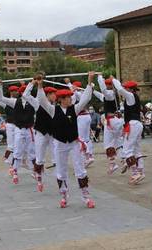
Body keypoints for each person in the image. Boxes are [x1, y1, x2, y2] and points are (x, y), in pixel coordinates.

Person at [37, 72, 96, 208]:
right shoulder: (53, 110)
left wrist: (89, 83)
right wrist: (40, 86)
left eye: (70, 96)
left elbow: (85, 99)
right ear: (61, 99)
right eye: (68, 97)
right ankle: (64, 196)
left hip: (74, 143)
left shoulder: (74, 109)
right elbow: (42, 100)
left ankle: (86, 196)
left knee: (80, 169)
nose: (70, 99)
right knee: (61, 171)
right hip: (59, 144)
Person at [0, 81, 36, 185]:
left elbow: (26, 95)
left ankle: (27, 166)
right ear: (11, 92)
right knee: (12, 146)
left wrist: (28, 84)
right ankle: (13, 165)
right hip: (12, 126)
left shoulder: (27, 101)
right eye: (14, 91)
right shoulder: (9, 102)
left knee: (28, 149)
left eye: (17, 90)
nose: (16, 92)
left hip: (25, 127)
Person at [22, 75, 58, 192]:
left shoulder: (55, 106)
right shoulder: (37, 103)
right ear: (47, 95)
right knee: (40, 158)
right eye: (53, 94)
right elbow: (25, 95)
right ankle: (39, 178)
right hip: (41, 133)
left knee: (56, 157)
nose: (55, 96)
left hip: (52, 133)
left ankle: (60, 180)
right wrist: (32, 83)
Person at [112, 77, 145, 185]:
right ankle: (140, 171)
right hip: (136, 124)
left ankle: (135, 172)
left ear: (131, 89)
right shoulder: (133, 97)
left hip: (133, 124)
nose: (124, 90)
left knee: (127, 150)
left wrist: (114, 80)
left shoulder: (131, 96)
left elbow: (120, 90)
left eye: (126, 88)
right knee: (136, 149)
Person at [95, 75, 125, 175]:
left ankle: (113, 164)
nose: (106, 86)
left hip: (111, 121)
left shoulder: (110, 94)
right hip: (117, 120)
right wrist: (91, 89)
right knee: (118, 142)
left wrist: (99, 78)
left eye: (107, 85)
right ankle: (124, 160)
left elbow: (103, 91)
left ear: (109, 86)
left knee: (108, 143)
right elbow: (100, 95)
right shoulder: (111, 95)